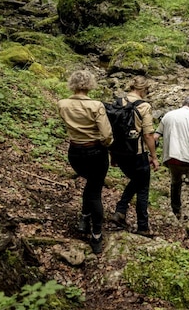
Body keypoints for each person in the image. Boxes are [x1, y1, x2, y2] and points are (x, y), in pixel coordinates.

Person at [57, 70, 113, 254]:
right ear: (90, 85)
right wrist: (107, 144)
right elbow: (106, 135)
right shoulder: (96, 106)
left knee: (90, 186)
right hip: (95, 151)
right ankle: (96, 234)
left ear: (72, 84)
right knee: (95, 192)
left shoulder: (62, 104)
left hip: (75, 152)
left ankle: (84, 217)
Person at [107, 76, 159, 237]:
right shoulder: (144, 106)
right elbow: (148, 134)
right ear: (143, 89)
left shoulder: (117, 102)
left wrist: (112, 154)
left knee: (136, 181)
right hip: (136, 153)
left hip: (119, 152)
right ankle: (143, 226)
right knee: (142, 187)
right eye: (147, 90)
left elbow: (111, 128)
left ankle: (120, 212)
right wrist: (154, 156)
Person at [156, 96, 189, 220]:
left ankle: (176, 211)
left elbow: (155, 136)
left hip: (172, 157)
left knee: (175, 183)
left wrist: (152, 156)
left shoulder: (168, 116)